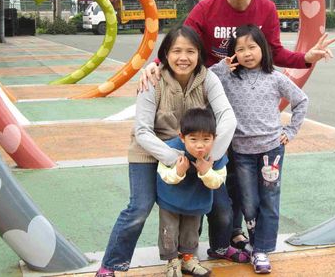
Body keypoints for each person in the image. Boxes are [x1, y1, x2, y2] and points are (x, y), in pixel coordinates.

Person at [139, 0, 334, 252]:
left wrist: (304, 58)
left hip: (245, 115)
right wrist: (156, 65)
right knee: (201, 170)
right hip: (210, 102)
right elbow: (182, 44)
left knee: (239, 180)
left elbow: (274, 51)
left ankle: (233, 234)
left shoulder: (266, 9)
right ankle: (190, 244)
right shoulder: (207, 8)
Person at [95, 26, 243, 277]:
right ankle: (110, 264)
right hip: (150, 150)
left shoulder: (208, 79)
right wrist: (175, 158)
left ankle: (197, 254)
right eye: (176, 51)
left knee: (216, 205)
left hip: (194, 149)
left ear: (200, 54)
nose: (183, 57)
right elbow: (142, 131)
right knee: (139, 208)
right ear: (165, 54)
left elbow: (227, 117)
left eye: (190, 51)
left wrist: (209, 156)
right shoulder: (152, 80)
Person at [210, 24, 309, 274]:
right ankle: (254, 242)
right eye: (240, 49)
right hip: (241, 152)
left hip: (271, 152)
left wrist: (290, 131)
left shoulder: (276, 78)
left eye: (252, 47)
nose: (247, 53)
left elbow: (301, 101)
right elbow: (205, 81)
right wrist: (222, 67)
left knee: (270, 201)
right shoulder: (228, 78)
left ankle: (261, 249)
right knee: (249, 202)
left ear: (262, 48)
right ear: (233, 53)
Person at [156, 108, 226, 277]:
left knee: (191, 230)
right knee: (169, 230)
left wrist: (206, 171)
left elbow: (218, 181)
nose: (200, 145)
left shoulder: (216, 154)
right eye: (193, 139)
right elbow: (163, 174)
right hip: (171, 199)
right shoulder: (171, 149)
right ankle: (172, 261)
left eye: (206, 139)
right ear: (182, 137)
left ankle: (188, 258)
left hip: (196, 199)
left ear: (214, 138)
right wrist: (179, 171)